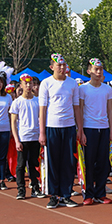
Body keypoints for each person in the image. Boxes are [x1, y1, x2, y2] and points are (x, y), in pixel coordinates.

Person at [39, 54, 83, 209]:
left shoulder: (72, 84)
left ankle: (66, 194)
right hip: (52, 127)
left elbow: (76, 107)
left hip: (69, 127)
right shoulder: (46, 83)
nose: (62, 68)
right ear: (52, 67)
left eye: (64, 65)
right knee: (53, 162)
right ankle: (53, 195)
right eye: (59, 66)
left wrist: (80, 130)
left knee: (68, 162)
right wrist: (42, 132)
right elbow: (42, 109)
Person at [78, 58, 112, 205]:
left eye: (101, 69)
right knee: (89, 162)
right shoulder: (83, 89)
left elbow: (110, 112)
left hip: (104, 129)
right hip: (89, 129)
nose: (99, 72)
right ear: (89, 71)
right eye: (96, 69)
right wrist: (80, 131)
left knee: (102, 162)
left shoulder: (107, 89)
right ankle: (88, 193)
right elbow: (80, 110)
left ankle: (101, 193)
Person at [10, 74, 43, 200]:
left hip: (35, 137)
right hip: (23, 138)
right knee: (21, 165)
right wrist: (17, 140)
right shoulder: (17, 102)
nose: (28, 86)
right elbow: (13, 122)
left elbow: (41, 118)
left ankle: (35, 187)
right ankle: (21, 189)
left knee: (34, 163)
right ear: (21, 85)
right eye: (26, 83)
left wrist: (41, 134)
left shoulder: (38, 100)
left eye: (30, 83)